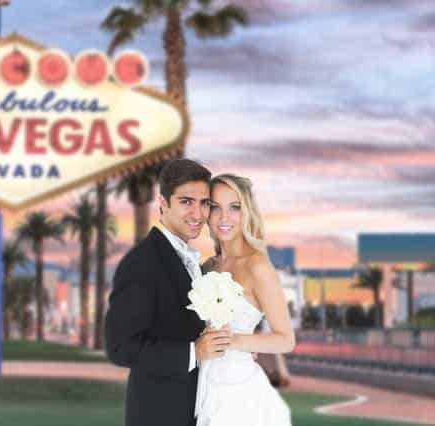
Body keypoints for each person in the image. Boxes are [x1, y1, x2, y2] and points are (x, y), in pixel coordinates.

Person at [105, 159, 232, 426]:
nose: (198, 214)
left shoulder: (190, 261)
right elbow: (120, 348)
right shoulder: (141, 263)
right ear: (163, 202)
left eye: (204, 203)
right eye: (187, 201)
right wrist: (193, 352)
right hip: (158, 415)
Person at [195, 173, 295, 425]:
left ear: (247, 211)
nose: (223, 217)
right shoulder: (208, 267)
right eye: (215, 207)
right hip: (201, 385)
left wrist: (234, 340)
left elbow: (285, 340)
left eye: (234, 207)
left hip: (238, 392)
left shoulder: (258, 267)